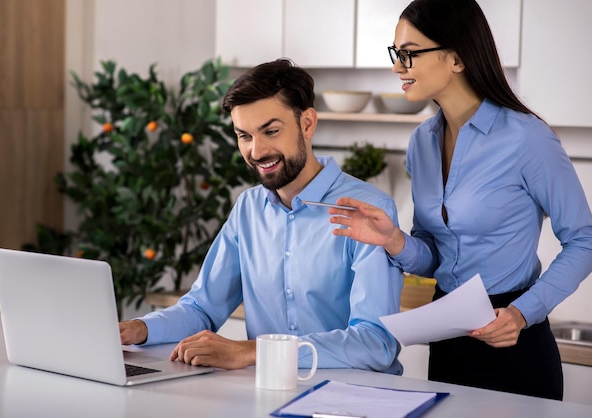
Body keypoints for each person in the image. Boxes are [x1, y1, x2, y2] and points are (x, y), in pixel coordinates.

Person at [328, 0, 592, 400]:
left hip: (514, 344)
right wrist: (393, 240)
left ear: (456, 57)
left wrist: (522, 312)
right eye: (396, 54)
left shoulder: (527, 138)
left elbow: (584, 240)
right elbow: (434, 255)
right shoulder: (421, 142)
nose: (398, 67)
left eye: (409, 54)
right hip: (448, 344)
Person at [119, 58, 404, 374]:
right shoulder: (248, 209)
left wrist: (253, 351)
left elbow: (376, 343)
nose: (256, 151)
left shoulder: (368, 210)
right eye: (244, 136)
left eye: (271, 131)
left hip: (354, 400)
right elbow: (201, 308)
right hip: (269, 393)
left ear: (307, 124)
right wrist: (138, 329)